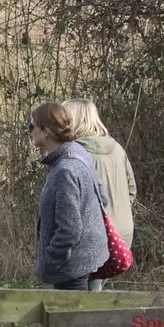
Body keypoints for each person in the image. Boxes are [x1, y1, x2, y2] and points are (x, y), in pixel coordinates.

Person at [7, 101, 111, 327]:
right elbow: (101, 198)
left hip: (73, 262)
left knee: (69, 326)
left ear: (47, 131)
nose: (30, 132)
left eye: (31, 127)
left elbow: (69, 230)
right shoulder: (79, 155)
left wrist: (48, 263)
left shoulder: (66, 168)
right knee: (71, 325)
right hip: (85, 258)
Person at [64, 98, 135, 291]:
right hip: (122, 234)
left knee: (86, 297)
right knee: (94, 289)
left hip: (96, 236)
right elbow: (131, 190)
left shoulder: (76, 153)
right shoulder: (117, 148)